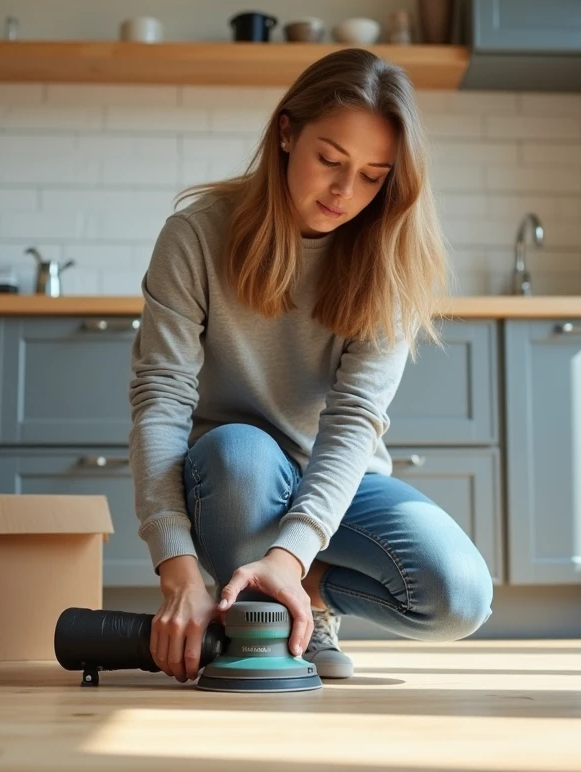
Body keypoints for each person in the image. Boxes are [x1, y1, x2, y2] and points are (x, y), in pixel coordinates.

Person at [128, 48, 494, 684]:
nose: (345, 192)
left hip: (336, 479)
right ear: (287, 132)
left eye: (375, 175)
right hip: (231, 479)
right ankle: (265, 608)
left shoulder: (390, 259)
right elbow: (162, 398)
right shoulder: (194, 236)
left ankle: (299, 594)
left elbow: (355, 420)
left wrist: (295, 555)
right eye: (330, 160)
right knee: (240, 454)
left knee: (459, 597)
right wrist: (177, 569)